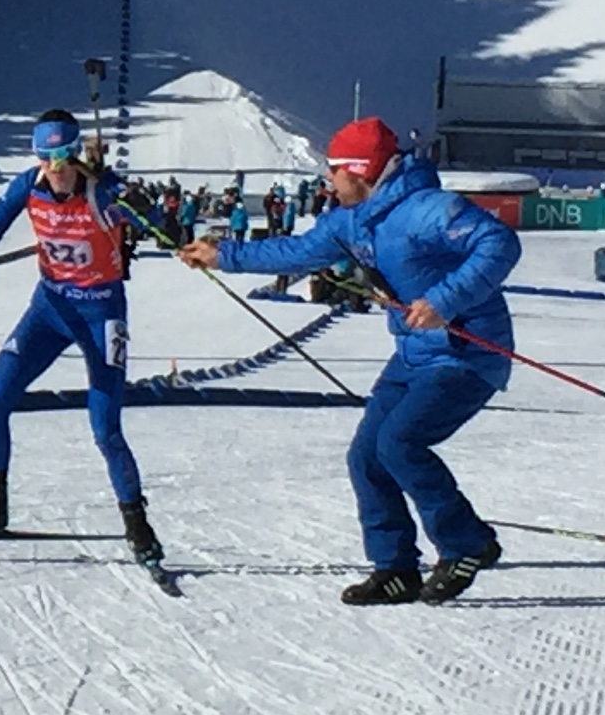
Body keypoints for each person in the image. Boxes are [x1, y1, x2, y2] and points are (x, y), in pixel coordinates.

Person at [182, 117, 522, 604]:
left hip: (467, 352)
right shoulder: (352, 219)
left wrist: (445, 300)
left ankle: (468, 543)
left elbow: (499, 243)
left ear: (360, 170)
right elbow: (296, 251)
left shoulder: (427, 210)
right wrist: (223, 256)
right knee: (367, 455)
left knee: (400, 442)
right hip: (413, 355)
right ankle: (396, 567)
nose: (328, 180)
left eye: (335, 170)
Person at [0, 109, 161, 568]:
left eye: (62, 157)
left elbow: (159, 225)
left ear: (77, 153)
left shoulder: (104, 192)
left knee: (105, 427)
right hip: (50, 309)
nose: (55, 169)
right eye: (46, 158)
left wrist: (144, 209)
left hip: (102, 312)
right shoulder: (28, 185)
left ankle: (138, 524)